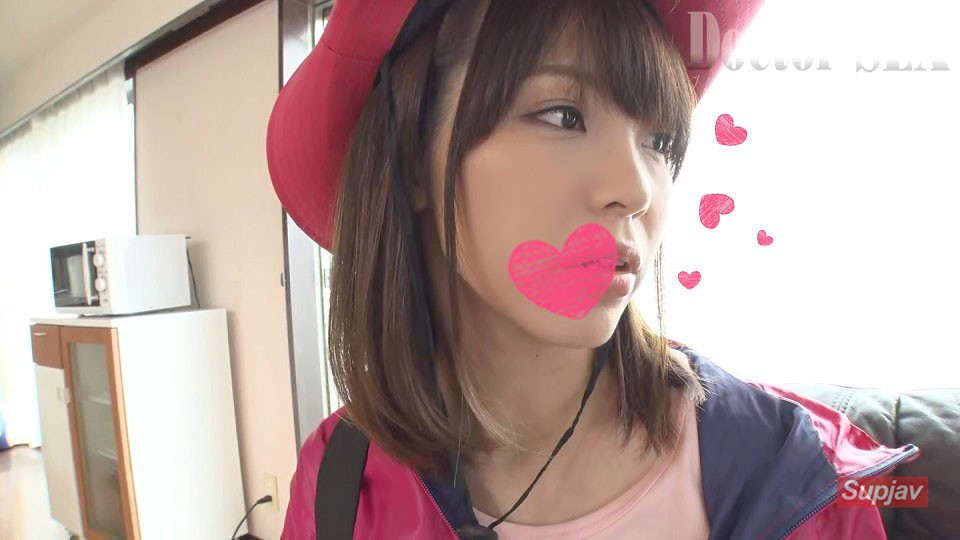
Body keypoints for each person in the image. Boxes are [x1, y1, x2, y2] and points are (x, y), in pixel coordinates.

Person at [266, 0, 921, 538]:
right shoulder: (341, 483)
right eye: (563, 115)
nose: (635, 189)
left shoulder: (804, 484)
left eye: (661, 142)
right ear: (412, 157)